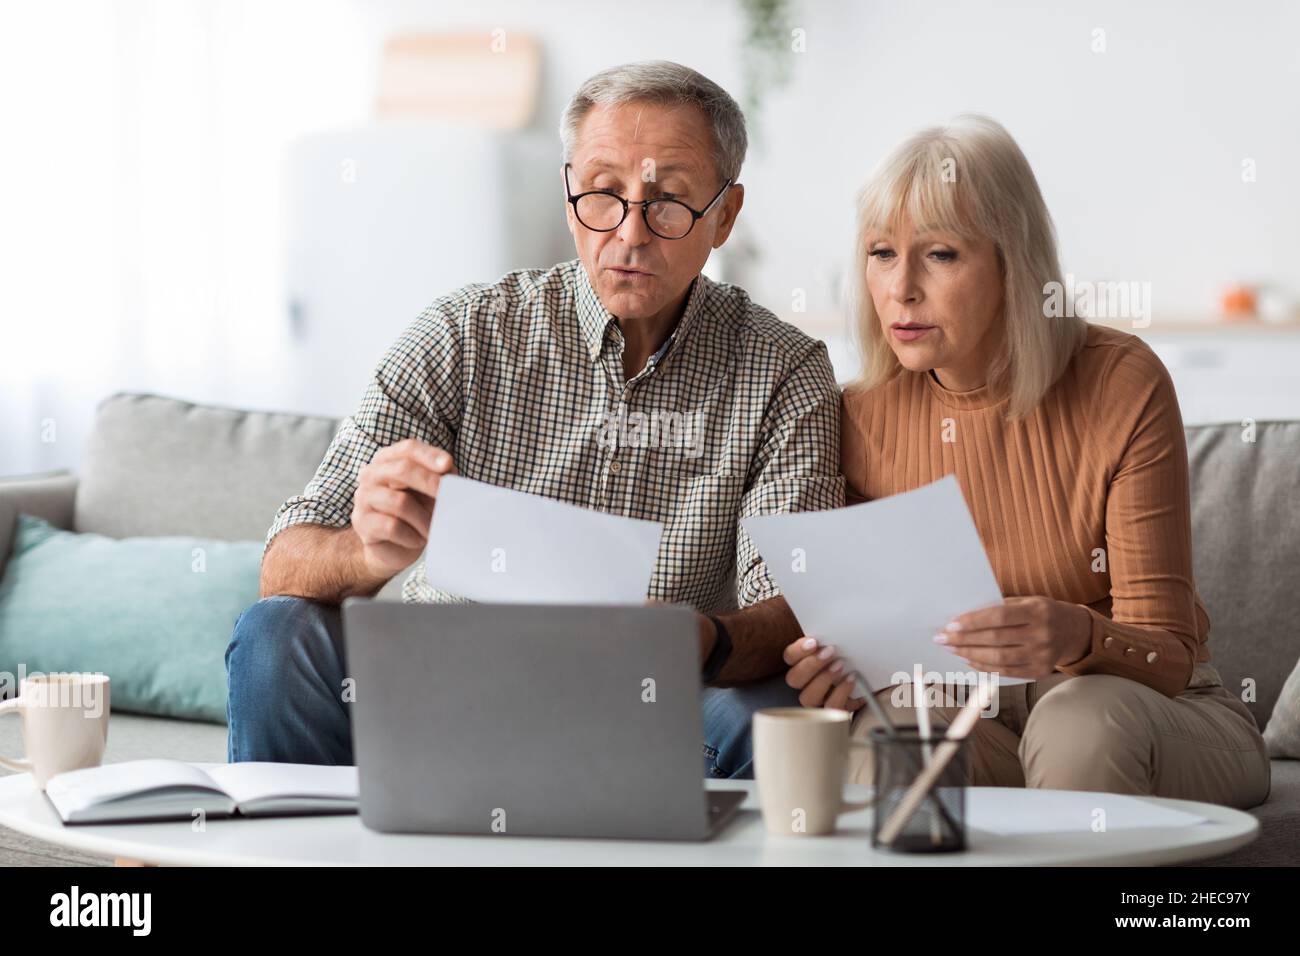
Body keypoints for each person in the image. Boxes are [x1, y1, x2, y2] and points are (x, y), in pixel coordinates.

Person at [226, 61, 844, 776]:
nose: (630, 233)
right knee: (276, 634)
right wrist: (368, 553)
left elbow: (793, 603)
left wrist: (700, 638)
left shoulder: (784, 369)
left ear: (726, 215)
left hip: (644, 705)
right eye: (604, 194)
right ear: (568, 190)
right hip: (436, 683)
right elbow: (283, 563)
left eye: (669, 201)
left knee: (762, 721)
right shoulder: (463, 332)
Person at [783, 115, 1270, 808]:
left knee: (1078, 723)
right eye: (881, 253)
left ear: (1014, 261)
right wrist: (838, 666)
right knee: (892, 736)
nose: (901, 288)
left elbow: (1168, 656)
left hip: (1156, 715)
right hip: (980, 722)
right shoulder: (856, 413)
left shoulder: (1118, 381)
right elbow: (874, 632)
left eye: (941, 254)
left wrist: (1080, 633)